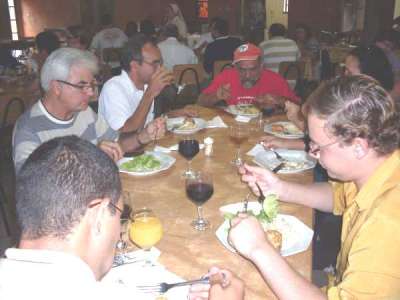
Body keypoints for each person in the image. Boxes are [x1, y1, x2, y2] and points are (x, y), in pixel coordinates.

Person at [231, 75, 400, 299]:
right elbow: (337, 196)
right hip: (336, 279)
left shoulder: (388, 223)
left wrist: (259, 249)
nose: (312, 153)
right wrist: (279, 188)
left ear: (359, 147)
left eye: (318, 147)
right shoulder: (378, 167)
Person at [12, 47, 164, 173]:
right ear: (57, 88)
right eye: (81, 86)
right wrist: (90, 157)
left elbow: (117, 143)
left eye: (92, 85)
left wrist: (143, 136)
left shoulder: (84, 113)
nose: (91, 93)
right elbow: (32, 187)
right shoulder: (28, 129)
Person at [99, 33, 195, 133]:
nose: (160, 68)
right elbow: (126, 136)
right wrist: (149, 94)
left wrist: (172, 115)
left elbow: (148, 122)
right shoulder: (113, 89)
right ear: (135, 65)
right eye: (155, 63)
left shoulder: (146, 84)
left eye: (160, 63)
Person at [199, 43, 299, 108]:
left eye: (253, 69)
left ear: (261, 66)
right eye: (242, 70)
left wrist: (279, 100)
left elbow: (298, 107)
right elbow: (200, 102)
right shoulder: (226, 76)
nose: (247, 75)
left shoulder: (275, 79)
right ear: (235, 67)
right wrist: (215, 96)